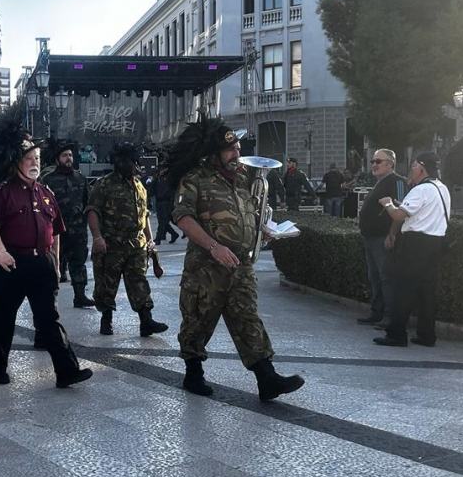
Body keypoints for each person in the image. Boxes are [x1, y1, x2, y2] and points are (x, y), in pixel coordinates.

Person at [165, 110, 305, 401]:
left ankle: (266, 378)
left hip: (241, 264)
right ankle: (193, 374)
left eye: (238, 149)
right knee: (197, 320)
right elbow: (182, 217)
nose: (236, 154)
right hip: (207, 267)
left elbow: (249, 212)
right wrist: (214, 247)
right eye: (230, 150)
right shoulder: (196, 179)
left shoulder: (241, 180)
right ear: (214, 154)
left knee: (248, 318)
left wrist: (262, 229)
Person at [0, 128, 92, 388]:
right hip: (10, 264)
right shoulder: (3, 192)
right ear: (17, 161)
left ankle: (66, 371)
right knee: (2, 318)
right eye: (29, 158)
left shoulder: (46, 193)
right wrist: (0, 252)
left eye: (38, 159)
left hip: (40, 263)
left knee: (49, 320)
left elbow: (56, 232)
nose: (35, 163)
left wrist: (55, 263)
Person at [86, 142, 168, 337]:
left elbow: (145, 215)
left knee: (139, 282)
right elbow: (92, 211)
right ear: (119, 162)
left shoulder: (139, 186)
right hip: (111, 245)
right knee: (107, 284)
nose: (133, 166)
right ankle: (106, 320)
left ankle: (146, 321)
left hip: (136, 245)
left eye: (134, 162)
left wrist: (150, 242)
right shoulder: (104, 184)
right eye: (128, 162)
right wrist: (97, 237)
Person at [374, 152, 451, 348]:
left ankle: (396, 335)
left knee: (403, 289)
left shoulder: (421, 190)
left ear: (422, 167)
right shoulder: (442, 188)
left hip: (416, 245)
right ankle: (427, 336)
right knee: (427, 292)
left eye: (414, 166)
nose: (411, 170)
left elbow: (399, 216)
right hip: (436, 243)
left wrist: (388, 203)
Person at [40, 141, 95, 307]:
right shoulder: (48, 180)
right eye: (65, 155)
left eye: (70, 155)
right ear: (58, 159)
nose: (68, 158)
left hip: (77, 231)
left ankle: (80, 295)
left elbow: (88, 202)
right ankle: (50, 297)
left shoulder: (80, 178)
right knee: (52, 263)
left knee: (78, 262)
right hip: (56, 231)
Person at [356, 149, 406, 328]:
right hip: (370, 237)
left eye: (378, 161)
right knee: (374, 276)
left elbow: (402, 210)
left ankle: (389, 316)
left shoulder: (398, 181)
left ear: (390, 164)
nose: (374, 165)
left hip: (382, 238)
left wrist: (392, 233)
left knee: (386, 278)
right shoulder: (379, 182)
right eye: (373, 161)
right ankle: (376, 313)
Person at [153, 165, 180, 245]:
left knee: (163, 222)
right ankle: (174, 234)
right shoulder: (158, 179)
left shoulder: (169, 178)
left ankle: (158, 239)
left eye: (162, 169)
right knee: (163, 222)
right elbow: (153, 189)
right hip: (159, 202)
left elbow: (171, 190)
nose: (161, 171)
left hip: (166, 202)